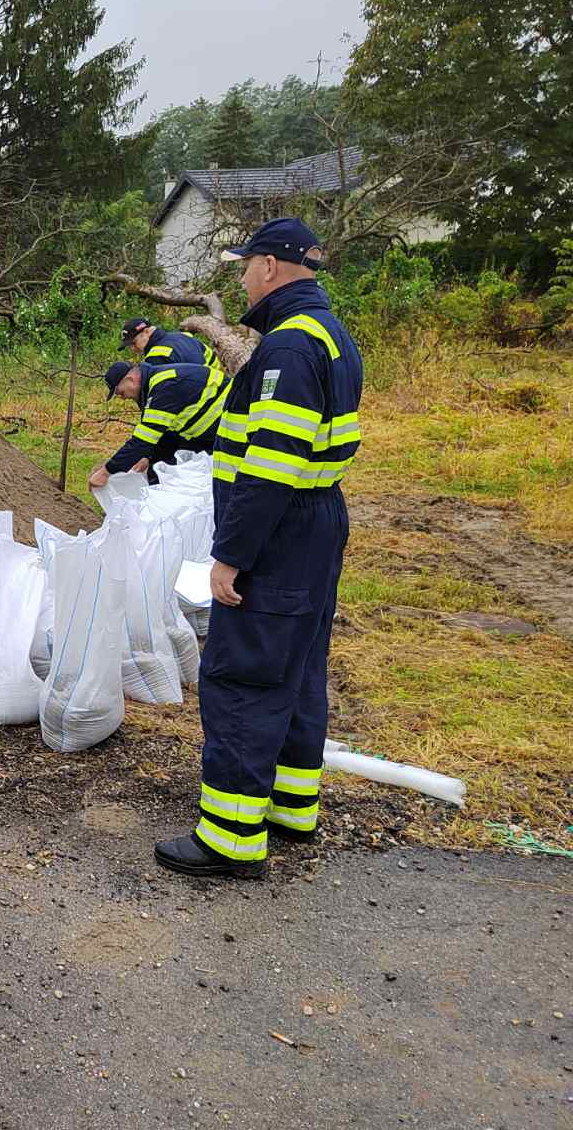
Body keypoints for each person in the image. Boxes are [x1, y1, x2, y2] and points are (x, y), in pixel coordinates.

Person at [154, 217, 363, 879]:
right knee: (296, 667)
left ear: (270, 266)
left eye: (246, 264)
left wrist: (232, 556)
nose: (242, 276)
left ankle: (230, 838)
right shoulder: (332, 336)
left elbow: (270, 466)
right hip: (317, 523)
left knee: (243, 675)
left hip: (280, 531)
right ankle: (290, 806)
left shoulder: (289, 349)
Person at [88, 360, 230, 490]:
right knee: (165, 470)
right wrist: (149, 457)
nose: (123, 397)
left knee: (216, 482)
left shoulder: (164, 387)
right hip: (212, 432)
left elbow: (142, 440)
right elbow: (164, 433)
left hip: (231, 425)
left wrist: (106, 472)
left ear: (130, 380)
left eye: (120, 392)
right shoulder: (155, 384)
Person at [121, 316, 222, 373]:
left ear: (147, 332)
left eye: (134, 343)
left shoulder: (156, 356)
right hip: (222, 387)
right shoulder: (184, 336)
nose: (132, 349)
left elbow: (161, 392)